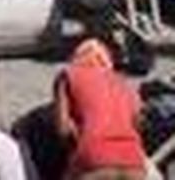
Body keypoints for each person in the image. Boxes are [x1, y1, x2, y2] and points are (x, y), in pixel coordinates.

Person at [54, 38, 147, 180]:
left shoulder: (68, 75)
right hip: (134, 160)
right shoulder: (122, 82)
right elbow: (139, 122)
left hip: (94, 156)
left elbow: (63, 129)